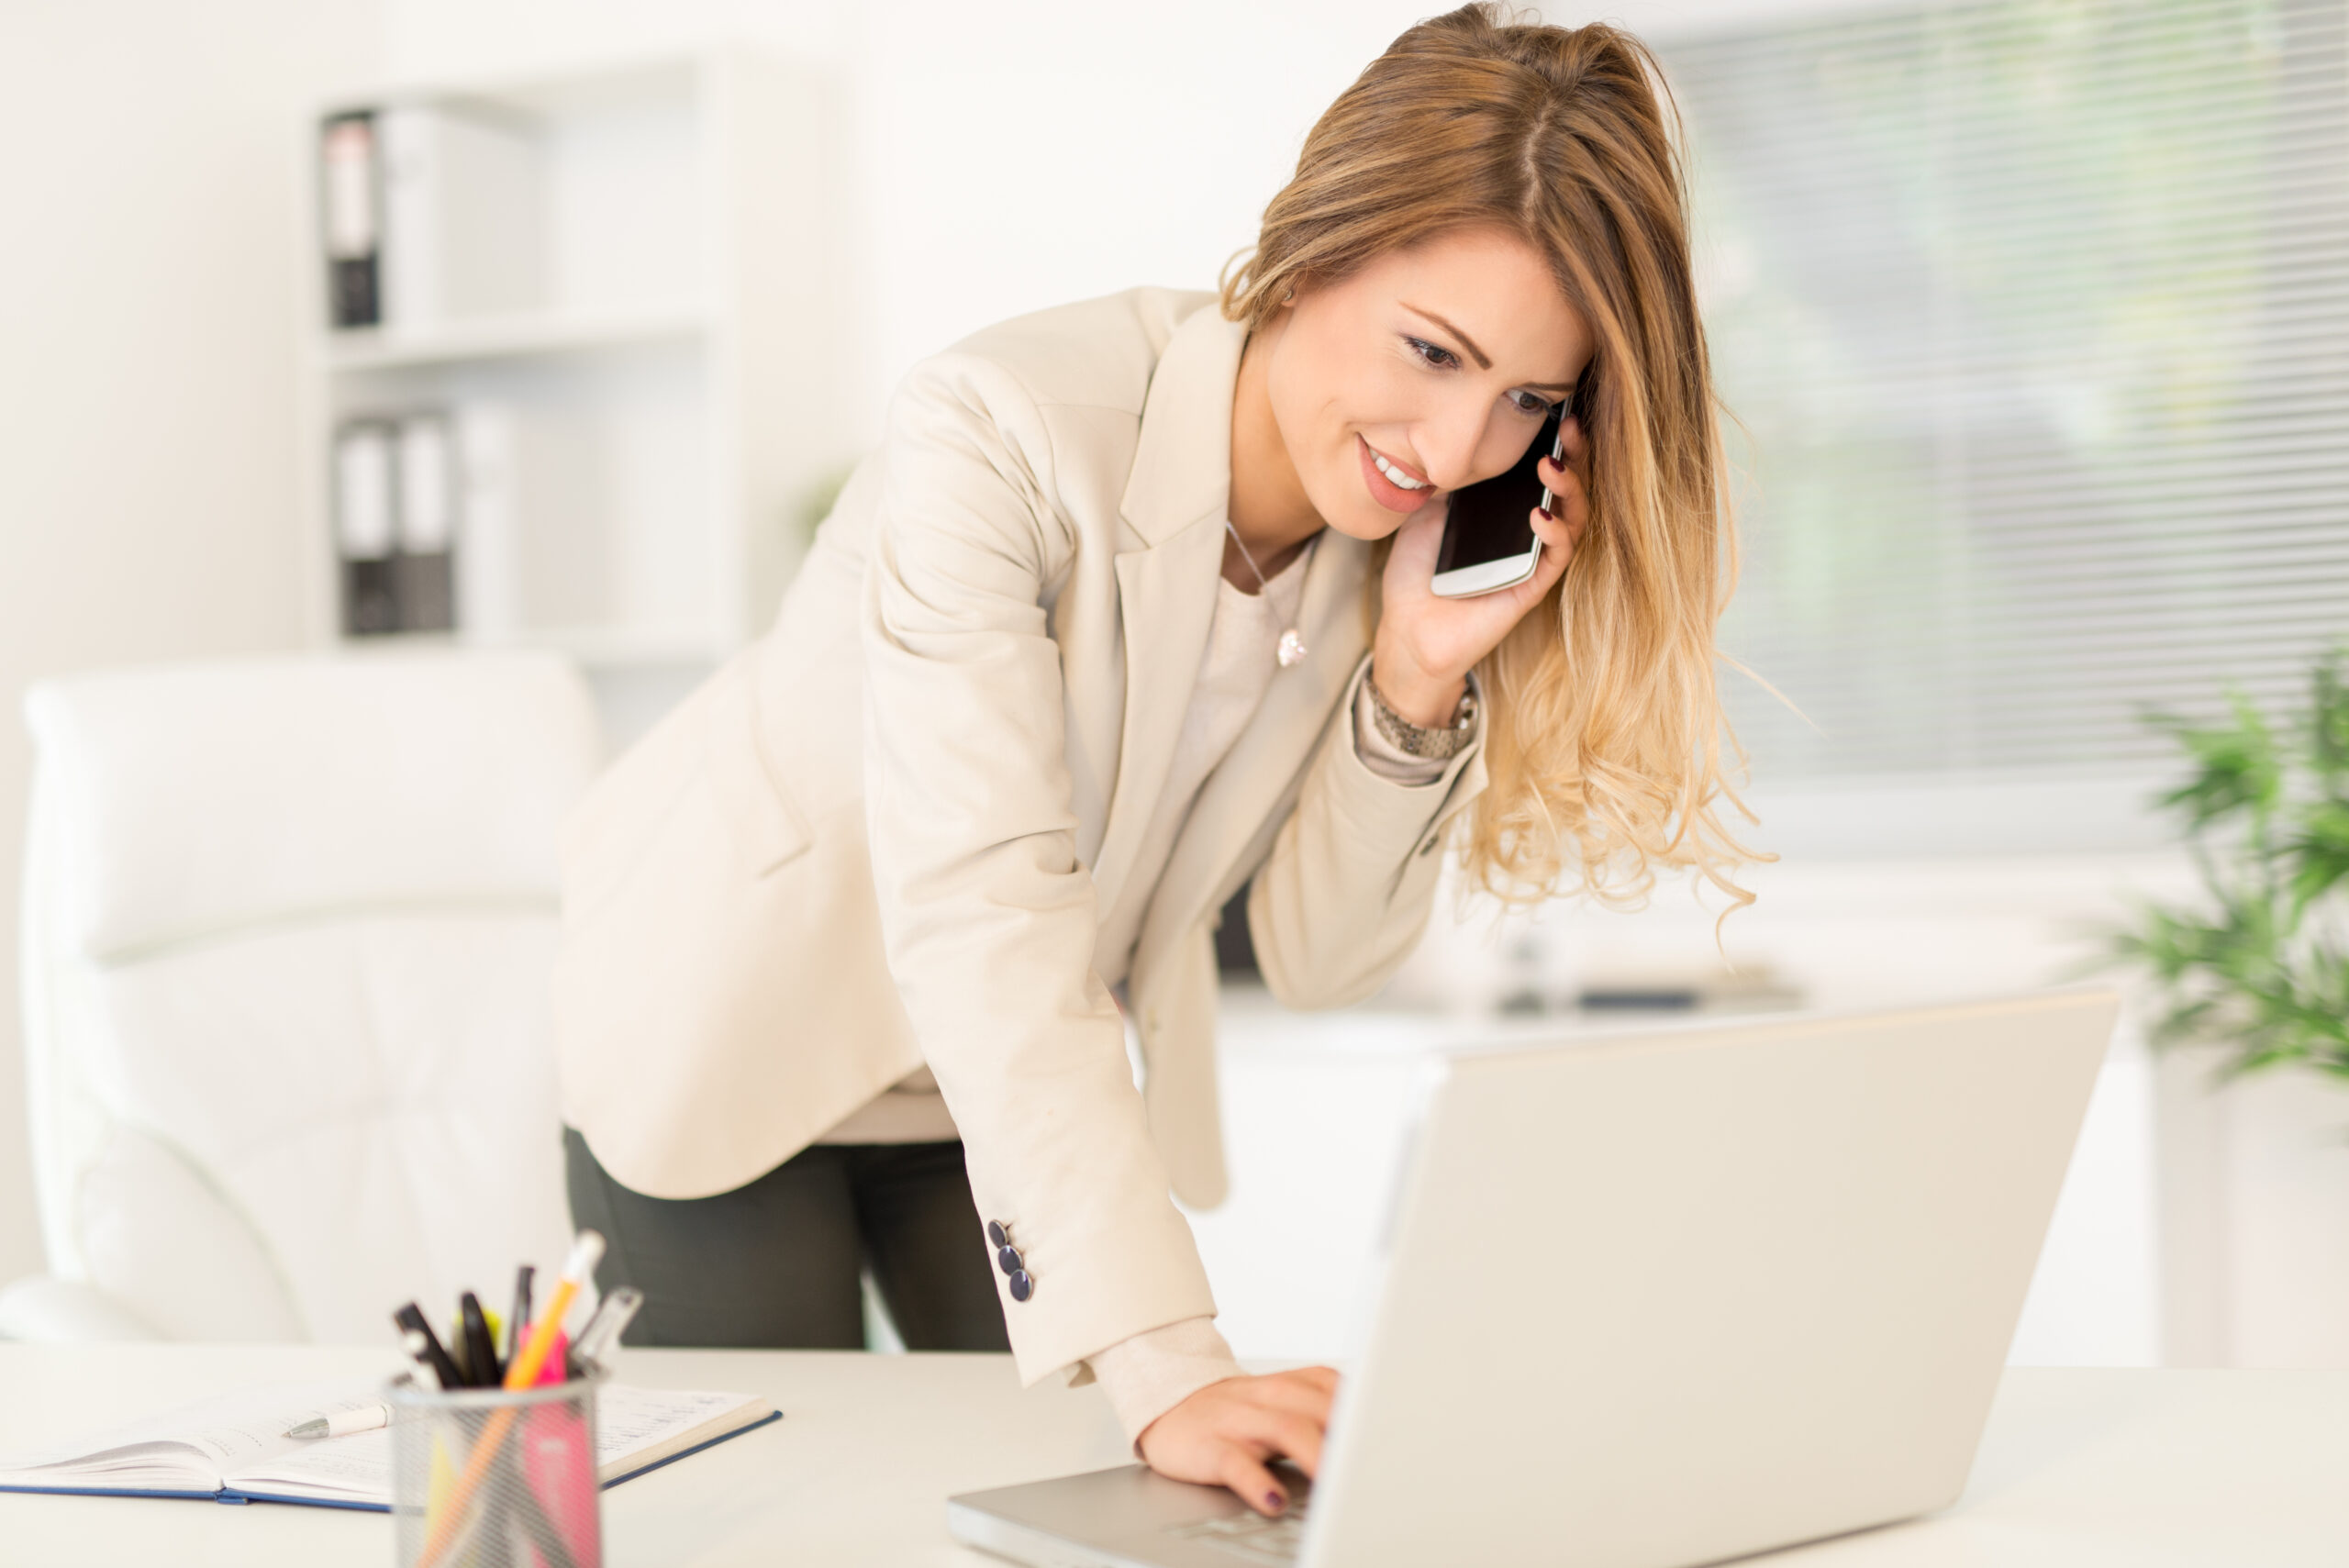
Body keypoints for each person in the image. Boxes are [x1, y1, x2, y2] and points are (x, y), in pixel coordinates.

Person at [552, 3, 1756, 1517]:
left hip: (983, 1097)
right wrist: (1169, 1357)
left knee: (1103, 1501)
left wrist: (1414, 677)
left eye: (1527, 399)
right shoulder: (994, 432)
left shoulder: (1373, 543)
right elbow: (986, 901)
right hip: (738, 1025)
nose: (1457, 447)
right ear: (1315, 243)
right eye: (1432, 352)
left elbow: (1318, 959)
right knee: (780, 1515)